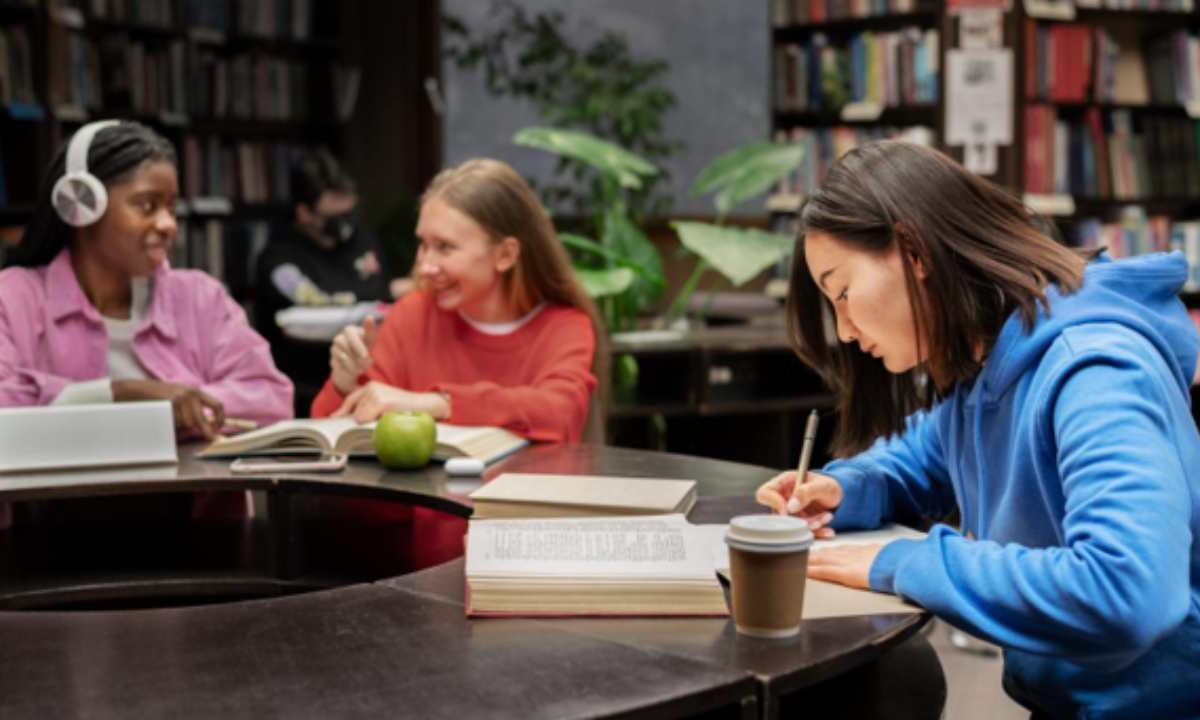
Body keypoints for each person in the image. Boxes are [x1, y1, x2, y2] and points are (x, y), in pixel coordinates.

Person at [755, 141, 1200, 718]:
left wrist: (902, 563)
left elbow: (1126, 593)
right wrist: (844, 488)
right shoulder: (986, 363)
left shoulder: (1093, 370)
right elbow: (919, 458)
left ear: (913, 252)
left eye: (842, 292)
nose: (843, 330)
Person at [308, 157, 604, 569]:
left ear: (505, 254)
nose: (425, 266)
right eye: (423, 243)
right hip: (416, 568)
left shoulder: (564, 327)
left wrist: (434, 404)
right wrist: (342, 384)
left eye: (445, 247)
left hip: (537, 560)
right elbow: (331, 439)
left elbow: (558, 410)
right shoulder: (413, 315)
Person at [0, 119, 293, 434]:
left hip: (193, 484)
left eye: (171, 207)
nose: (168, 224)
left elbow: (272, 401)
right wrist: (122, 394)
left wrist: (181, 411)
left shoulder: (200, 297)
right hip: (76, 486)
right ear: (82, 206)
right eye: (147, 205)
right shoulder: (13, 297)